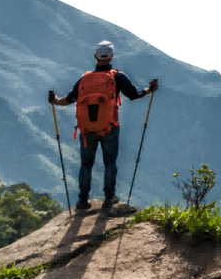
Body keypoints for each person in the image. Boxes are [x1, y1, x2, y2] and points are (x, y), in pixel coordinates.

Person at [48, 40, 158, 210]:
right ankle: (109, 197)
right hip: (110, 127)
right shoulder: (117, 77)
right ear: (111, 56)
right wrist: (149, 89)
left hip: (86, 129)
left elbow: (68, 99)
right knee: (110, 163)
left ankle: (82, 201)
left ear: (95, 56)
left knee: (86, 164)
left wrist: (54, 100)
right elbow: (134, 94)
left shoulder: (85, 78)